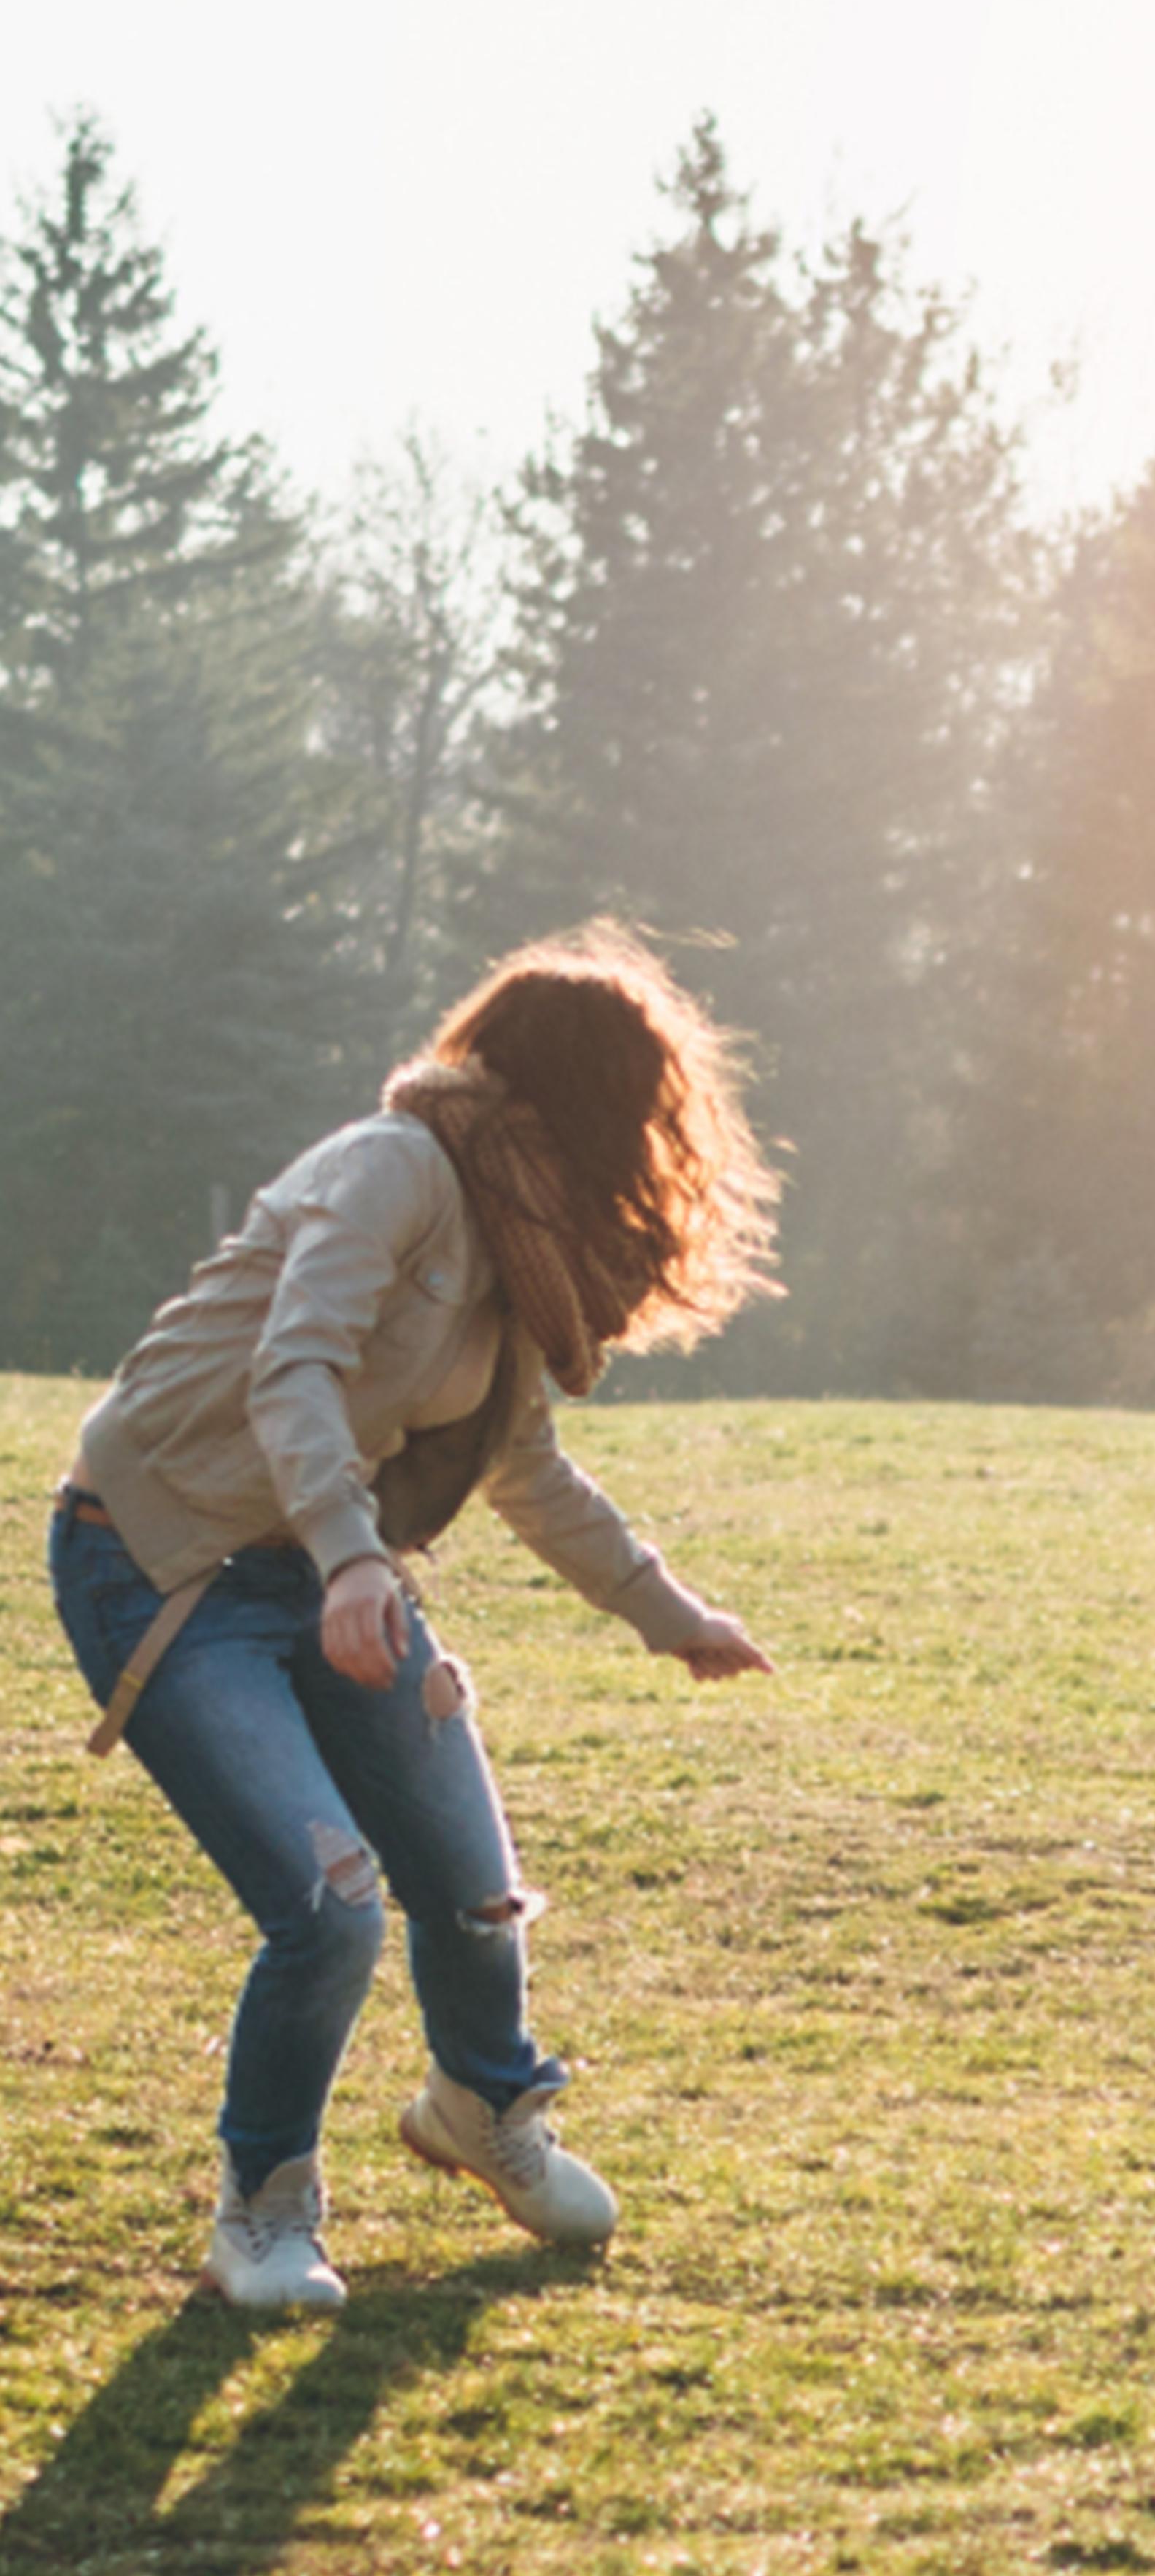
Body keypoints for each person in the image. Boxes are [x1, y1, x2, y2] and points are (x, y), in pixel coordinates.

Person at [47, 922, 782, 2310]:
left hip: (325, 1563)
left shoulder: (521, 1241)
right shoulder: (398, 1168)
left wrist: (667, 1611)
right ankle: (263, 2210)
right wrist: (351, 1559)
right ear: (581, 1101)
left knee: (472, 1882)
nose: (657, 1153)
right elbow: (294, 1369)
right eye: (645, 1118)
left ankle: (480, 2103)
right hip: (159, 1554)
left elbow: (523, 1463)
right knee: (330, 1910)